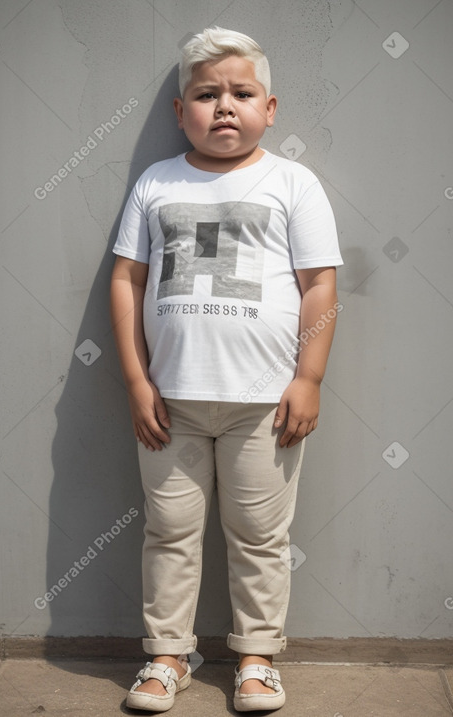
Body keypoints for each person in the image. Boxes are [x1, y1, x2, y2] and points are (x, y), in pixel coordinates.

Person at [110, 26, 343, 713]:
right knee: (169, 530)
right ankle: (165, 656)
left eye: (242, 93)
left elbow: (321, 285)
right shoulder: (157, 181)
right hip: (169, 402)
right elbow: (127, 278)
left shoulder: (292, 182)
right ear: (181, 110)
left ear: (270, 108)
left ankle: (257, 658)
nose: (224, 107)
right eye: (206, 95)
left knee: (261, 535)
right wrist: (134, 379)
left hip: (264, 404)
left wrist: (309, 377)